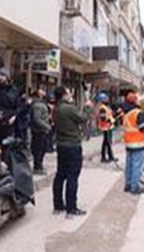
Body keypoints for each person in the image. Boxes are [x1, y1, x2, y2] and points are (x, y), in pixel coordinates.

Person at [51, 86, 88, 217]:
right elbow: (83, 118)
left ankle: (58, 205)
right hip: (72, 145)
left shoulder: (55, 108)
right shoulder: (69, 108)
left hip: (61, 145)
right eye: (68, 92)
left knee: (60, 175)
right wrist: (87, 107)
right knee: (72, 176)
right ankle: (71, 208)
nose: (70, 94)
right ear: (64, 95)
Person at [122, 90, 144, 195]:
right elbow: (143, 128)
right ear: (135, 101)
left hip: (129, 144)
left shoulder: (127, 113)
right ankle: (135, 187)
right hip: (138, 143)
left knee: (129, 165)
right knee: (137, 166)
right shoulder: (138, 113)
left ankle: (128, 184)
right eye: (138, 99)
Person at [0, 69, 19, 143]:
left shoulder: (13, 90)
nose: (0, 77)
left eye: (3, 75)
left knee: (8, 145)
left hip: (10, 123)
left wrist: (14, 116)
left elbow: (18, 106)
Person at [29, 88, 51, 174]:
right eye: (42, 90)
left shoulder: (41, 103)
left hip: (41, 129)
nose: (44, 91)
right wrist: (47, 126)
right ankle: (37, 166)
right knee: (39, 149)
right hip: (39, 130)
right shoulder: (37, 104)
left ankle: (39, 165)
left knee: (41, 148)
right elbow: (36, 118)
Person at [95, 92, 116, 163]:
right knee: (107, 143)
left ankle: (109, 156)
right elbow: (103, 118)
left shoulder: (106, 107)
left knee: (107, 143)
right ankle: (105, 157)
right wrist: (110, 120)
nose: (107, 100)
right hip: (106, 127)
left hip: (108, 127)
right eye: (106, 98)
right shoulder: (102, 108)